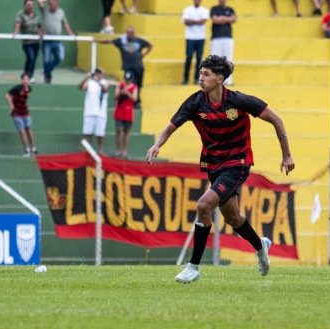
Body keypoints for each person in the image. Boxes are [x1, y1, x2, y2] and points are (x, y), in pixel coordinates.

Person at [146, 55, 295, 284]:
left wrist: (286, 155)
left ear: (220, 78)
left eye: (206, 74)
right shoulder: (195, 102)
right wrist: (157, 145)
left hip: (238, 162)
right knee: (233, 218)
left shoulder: (239, 101)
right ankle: (260, 246)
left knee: (204, 205)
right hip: (214, 164)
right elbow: (170, 127)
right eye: (201, 73)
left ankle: (193, 267)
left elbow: (276, 119)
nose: (201, 78)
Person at [98, 26, 152, 109]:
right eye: (128, 33)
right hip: (128, 67)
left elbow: (150, 45)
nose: (130, 35)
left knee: (138, 85)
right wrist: (96, 41)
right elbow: (109, 41)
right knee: (129, 82)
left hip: (138, 66)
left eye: (131, 33)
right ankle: (127, 101)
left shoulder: (139, 41)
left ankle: (137, 101)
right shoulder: (122, 41)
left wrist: (144, 55)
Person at [37, 0, 75, 84]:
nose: (51, 6)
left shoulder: (61, 12)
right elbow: (39, 2)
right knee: (46, 61)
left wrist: (70, 34)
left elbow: (65, 24)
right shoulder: (45, 10)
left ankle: (46, 72)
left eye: (53, 4)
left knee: (60, 58)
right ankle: (47, 77)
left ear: (57, 4)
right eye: (50, 4)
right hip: (46, 41)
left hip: (57, 40)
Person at [4, 73, 37, 157]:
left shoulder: (29, 89)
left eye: (27, 79)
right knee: (22, 132)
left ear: (29, 80)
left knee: (29, 130)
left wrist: (26, 106)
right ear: (21, 80)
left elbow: (25, 99)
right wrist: (11, 106)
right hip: (16, 113)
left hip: (26, 113)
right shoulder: (17, 89)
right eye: (24, 79)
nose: (25, 81)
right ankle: (26, 150)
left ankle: (33, 148)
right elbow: (7, 95)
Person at [78, 68, 109, 154]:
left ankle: (100, 151)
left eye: (100, 73)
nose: (98, 75)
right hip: (89, 112)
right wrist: (86, 78)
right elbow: (80, 87)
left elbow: (105, 89)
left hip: (100, 114)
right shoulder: (90, 83)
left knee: (100, 134)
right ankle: (86, 150)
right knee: (87, 133)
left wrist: (98, 81)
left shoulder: (104, 83)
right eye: (97, 73)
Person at [13, 0, 43, 81]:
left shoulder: (36, 15)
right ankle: (29, 76)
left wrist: (41, 33)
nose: (30, 6)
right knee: (31, 58)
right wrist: (15, 32)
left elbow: (39, 25)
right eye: (28, 5)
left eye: (31, 5)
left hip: (36, 42)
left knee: (32, 60)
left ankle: (26, 75)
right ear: (25, 5)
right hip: (27, 42)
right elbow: (17, 23)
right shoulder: (20, 14)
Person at [182, 0, 209, 85]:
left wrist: (192, 21)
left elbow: (204, 21)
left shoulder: (205, 10)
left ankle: (197, 78)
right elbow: (186, 22)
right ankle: (186, 78)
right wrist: (198, 21)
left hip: (201, 37)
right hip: (190, 37)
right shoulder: (187, 9)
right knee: (188, 57)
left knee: (199, 58)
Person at [210, 0, 237, 86]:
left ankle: (228, 81)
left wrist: (221, 18)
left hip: (228, 38)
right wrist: (227, 19)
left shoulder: (230, 9)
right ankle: (214, 80)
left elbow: (234, 19)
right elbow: (215, 20)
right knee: (215, 60)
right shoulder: (214, 8)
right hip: (216, 38)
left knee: (228, 59)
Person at [114, 71, 138, 158]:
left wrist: (127, 93)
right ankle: (118, 150)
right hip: (119, 110)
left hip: (128, 111)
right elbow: (115, 96)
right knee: (119, 130)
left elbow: (134, 99)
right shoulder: (120, 85)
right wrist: (121, 92)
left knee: (126, 132)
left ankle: (124, 151)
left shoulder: (134, 87)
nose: (127, 81)